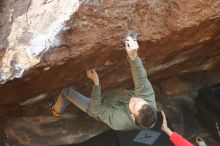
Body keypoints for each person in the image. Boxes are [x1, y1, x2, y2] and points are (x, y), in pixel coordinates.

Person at [50, 33, 157, 130]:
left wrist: (96, 83)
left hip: (97, 107)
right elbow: (141, 80)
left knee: (67, 92)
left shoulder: (120, 121)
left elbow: (97, 109)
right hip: (114, 98)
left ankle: (56, 110)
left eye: (134, 105)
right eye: (139, 100)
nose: (135, 99)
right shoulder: (148, 105)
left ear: (133, 117)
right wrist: (133, 57)